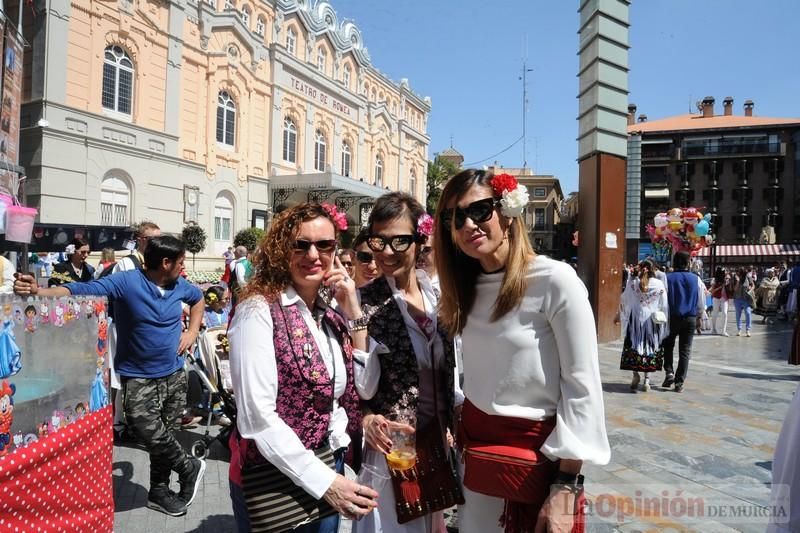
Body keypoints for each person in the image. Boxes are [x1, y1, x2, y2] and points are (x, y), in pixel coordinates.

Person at [434, 169, 609, 533]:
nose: (468, 224)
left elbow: (581, 388)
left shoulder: (555, 281)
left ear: (507, 212)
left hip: (538, 463)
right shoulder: (462, 290)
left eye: (480, 210)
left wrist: (565, 487)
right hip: (479, 461)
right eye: (454, 217)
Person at [14, 235, 206, 517]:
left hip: (174, 374)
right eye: (180, 262)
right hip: (139, 377)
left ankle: (158, 492)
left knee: (164, 435)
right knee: (146, 428)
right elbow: (82, 289)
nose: (183, 267)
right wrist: (39, 293)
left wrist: (192, 332)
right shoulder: (128, 282)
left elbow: (199, 299)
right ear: (165, 263)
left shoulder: (180, 286)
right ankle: (189, 467)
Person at [227, 203, 378, 533]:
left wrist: (354, 312)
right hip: (276, 476)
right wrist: (327, 484)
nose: (313, 254)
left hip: (327, 462)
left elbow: (364, 386)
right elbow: (256, 417)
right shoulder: (257, 311)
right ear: (282, 250)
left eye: (325, 245)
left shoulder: (332, 314)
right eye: (301, 244)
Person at [356, 192, 462, 533]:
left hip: (436, 446)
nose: (387, 252)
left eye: (399, 240)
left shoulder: (438, 297)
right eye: (379, 241)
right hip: (392, 452)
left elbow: (452, 371)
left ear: (419, 240)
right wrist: (366, 417)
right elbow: (354, 385)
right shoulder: (363, 303)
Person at [616, 259, 669, 392]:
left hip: (635, 320)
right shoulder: (659, 284)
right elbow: (664, 304)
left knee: (634, 346)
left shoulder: (633, 283)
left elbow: (624, 300)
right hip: (652, 321)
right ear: (653, 270)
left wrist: (619, 314)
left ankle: (635, 375)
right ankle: (647, 380)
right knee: (649, 348)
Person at [661, 250, 705, 393]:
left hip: (671, 317)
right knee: (685, 350)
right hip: (690, 318)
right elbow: (701, 301)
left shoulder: (667, 278)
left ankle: (669, 372)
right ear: (687, 263)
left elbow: (662, 299)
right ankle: (679, 382)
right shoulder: (696, 279)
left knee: (668, 345)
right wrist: (699, 316)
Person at [733, 266, 755, 337]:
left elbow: (753, 285)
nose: (740, 274)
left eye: (741, 273)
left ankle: (748, 330)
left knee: (748, 313)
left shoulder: (748, 277)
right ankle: (739, 329)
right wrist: (738, 281)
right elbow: (735, 289)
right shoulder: (736, 278)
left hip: (746, 298)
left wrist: (750, 290)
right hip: (737, 298)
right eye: (739, 272)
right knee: (738, 314)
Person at [710, 267, 732, 336]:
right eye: (723, 272)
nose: (725, 273)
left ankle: (723, 331)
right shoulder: (714, 279)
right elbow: (713, 290)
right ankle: (713, 329)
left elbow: (730, 289)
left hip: (724, 298)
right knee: (715, 313)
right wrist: (721, 286)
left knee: (725, 313)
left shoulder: (727, 278)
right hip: (716, 297)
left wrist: (728, 282)